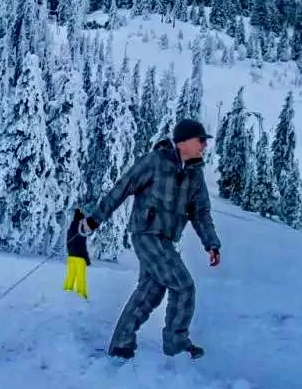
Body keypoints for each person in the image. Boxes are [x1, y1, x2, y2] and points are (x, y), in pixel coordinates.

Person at [79, 119, 221, 360]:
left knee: (150, 292)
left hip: (165, 240)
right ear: (184, 141)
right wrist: (95, 219)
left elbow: (201, 213)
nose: (204, 145)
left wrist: (211, 243)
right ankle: (176, 344)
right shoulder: (155, 162)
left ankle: (121, 345)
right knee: (183, 285)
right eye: (201, 140)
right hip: (146, 234)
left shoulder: (194, 175)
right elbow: (122, 188)